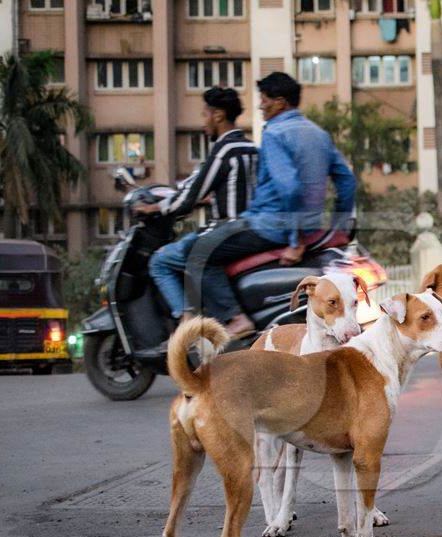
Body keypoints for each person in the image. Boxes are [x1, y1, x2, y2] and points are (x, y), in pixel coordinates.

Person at [184, 71, 357, 338]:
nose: (260, 106)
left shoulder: (274, 133)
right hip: (308, 226)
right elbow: (347, 181)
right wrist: (340, 225)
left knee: (200, 251)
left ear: (280, 102)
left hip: (268, 226)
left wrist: (294, 238)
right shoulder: (318, 134)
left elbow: (289, 187)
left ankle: (234, 317)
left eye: (264, 100)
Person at [146, 87, 257, 324]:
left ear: (218, 115)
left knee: (160, 261)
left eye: (205, 114)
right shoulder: (252, 149)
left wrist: (154, 208)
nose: (203, 122)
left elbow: (188, 195)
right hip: (253, 230)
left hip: (227, 230)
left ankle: (187, 322)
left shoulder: (223, 151)